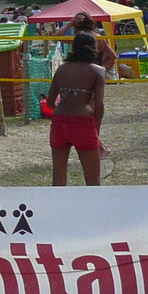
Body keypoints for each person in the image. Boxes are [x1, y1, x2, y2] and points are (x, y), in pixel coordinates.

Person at [47, 32, 108, 186]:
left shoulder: (61, 69)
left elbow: (50, 102)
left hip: (59, 123)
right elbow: (99, 106)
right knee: (93, 182)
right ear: (93, 48)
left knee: (58, 181)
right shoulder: (97, 71)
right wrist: (96, 132)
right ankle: (93, 210)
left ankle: (57, 209)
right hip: (83, 122)